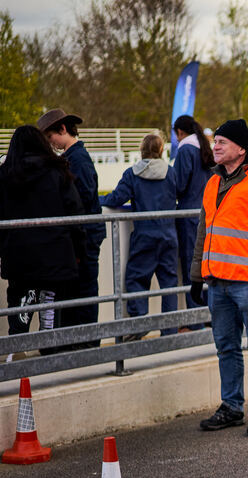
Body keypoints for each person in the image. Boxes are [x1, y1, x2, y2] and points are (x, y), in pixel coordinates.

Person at [190, 119, 248, 436]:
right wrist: (196, 276)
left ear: (241, 149)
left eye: (222, 142)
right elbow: (204, 230)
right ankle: (231, 407)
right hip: (217, 281)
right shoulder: (212, 183)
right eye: (214, 141)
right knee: (226, 348)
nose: (215, 146)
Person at [0, 125, 84, 343]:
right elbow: (75, 212)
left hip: (19, 255)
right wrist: (79, 249)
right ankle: (49, 350)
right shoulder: (58, 171)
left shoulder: (5, 175)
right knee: (51, 304)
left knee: (19, 303)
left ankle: (17, 348)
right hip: (55, 254)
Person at [100, 133, 179, 339]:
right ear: (161, 150)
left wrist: (94, 198)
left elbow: (117, 198)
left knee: (136, 279)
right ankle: (169, 331)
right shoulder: (171, 173)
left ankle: (140, 321)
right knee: (169, 283)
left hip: (145, 235)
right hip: (169, 235)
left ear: (141, 150)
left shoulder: (132, 174)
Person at [37, 108, 106, 344]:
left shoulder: (78, 159)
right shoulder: (72, 158)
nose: (51, 143)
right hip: (82, 237)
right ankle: (82, 343)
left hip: (85, 238)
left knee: (84, 292)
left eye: (50, 137)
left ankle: (87, 343)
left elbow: (84, 199)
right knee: (78, 292)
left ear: (62, 129)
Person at [172, 115, 214, 327]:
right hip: (209, 214)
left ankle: (195, 320)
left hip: (190, 216)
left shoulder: (185, 150)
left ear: (179, 132)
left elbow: (179, 184)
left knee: (192, 267)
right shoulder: (205, 148)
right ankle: (209, 317)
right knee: (208, 267)